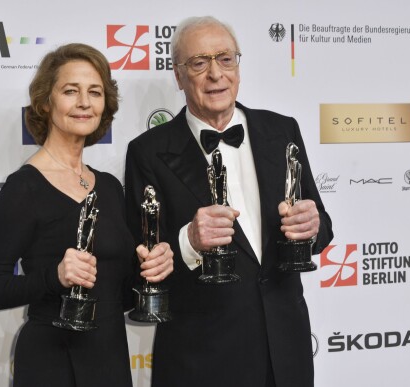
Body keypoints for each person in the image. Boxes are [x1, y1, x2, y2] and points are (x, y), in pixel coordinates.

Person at [124, 16, 333, 387]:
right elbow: (138, 264)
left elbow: (322, 228)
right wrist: (189, 241)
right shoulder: (148, 152)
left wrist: (312, 226)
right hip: (202, 359)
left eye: (225, 58)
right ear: (178, 76)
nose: (215, 74)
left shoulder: (282, 130)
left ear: (238, 65)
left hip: (286, 352)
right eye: (199, 63)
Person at [0, 43, 173, 387]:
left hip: (110, 359)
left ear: (105, 105)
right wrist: (55, 276)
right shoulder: (23, 187)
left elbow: (120, 294)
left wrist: (150, 271)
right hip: (50, 363)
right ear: (45, 102)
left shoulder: (110, 187)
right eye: (71, 91)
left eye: (95, 92)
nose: (84, 102)